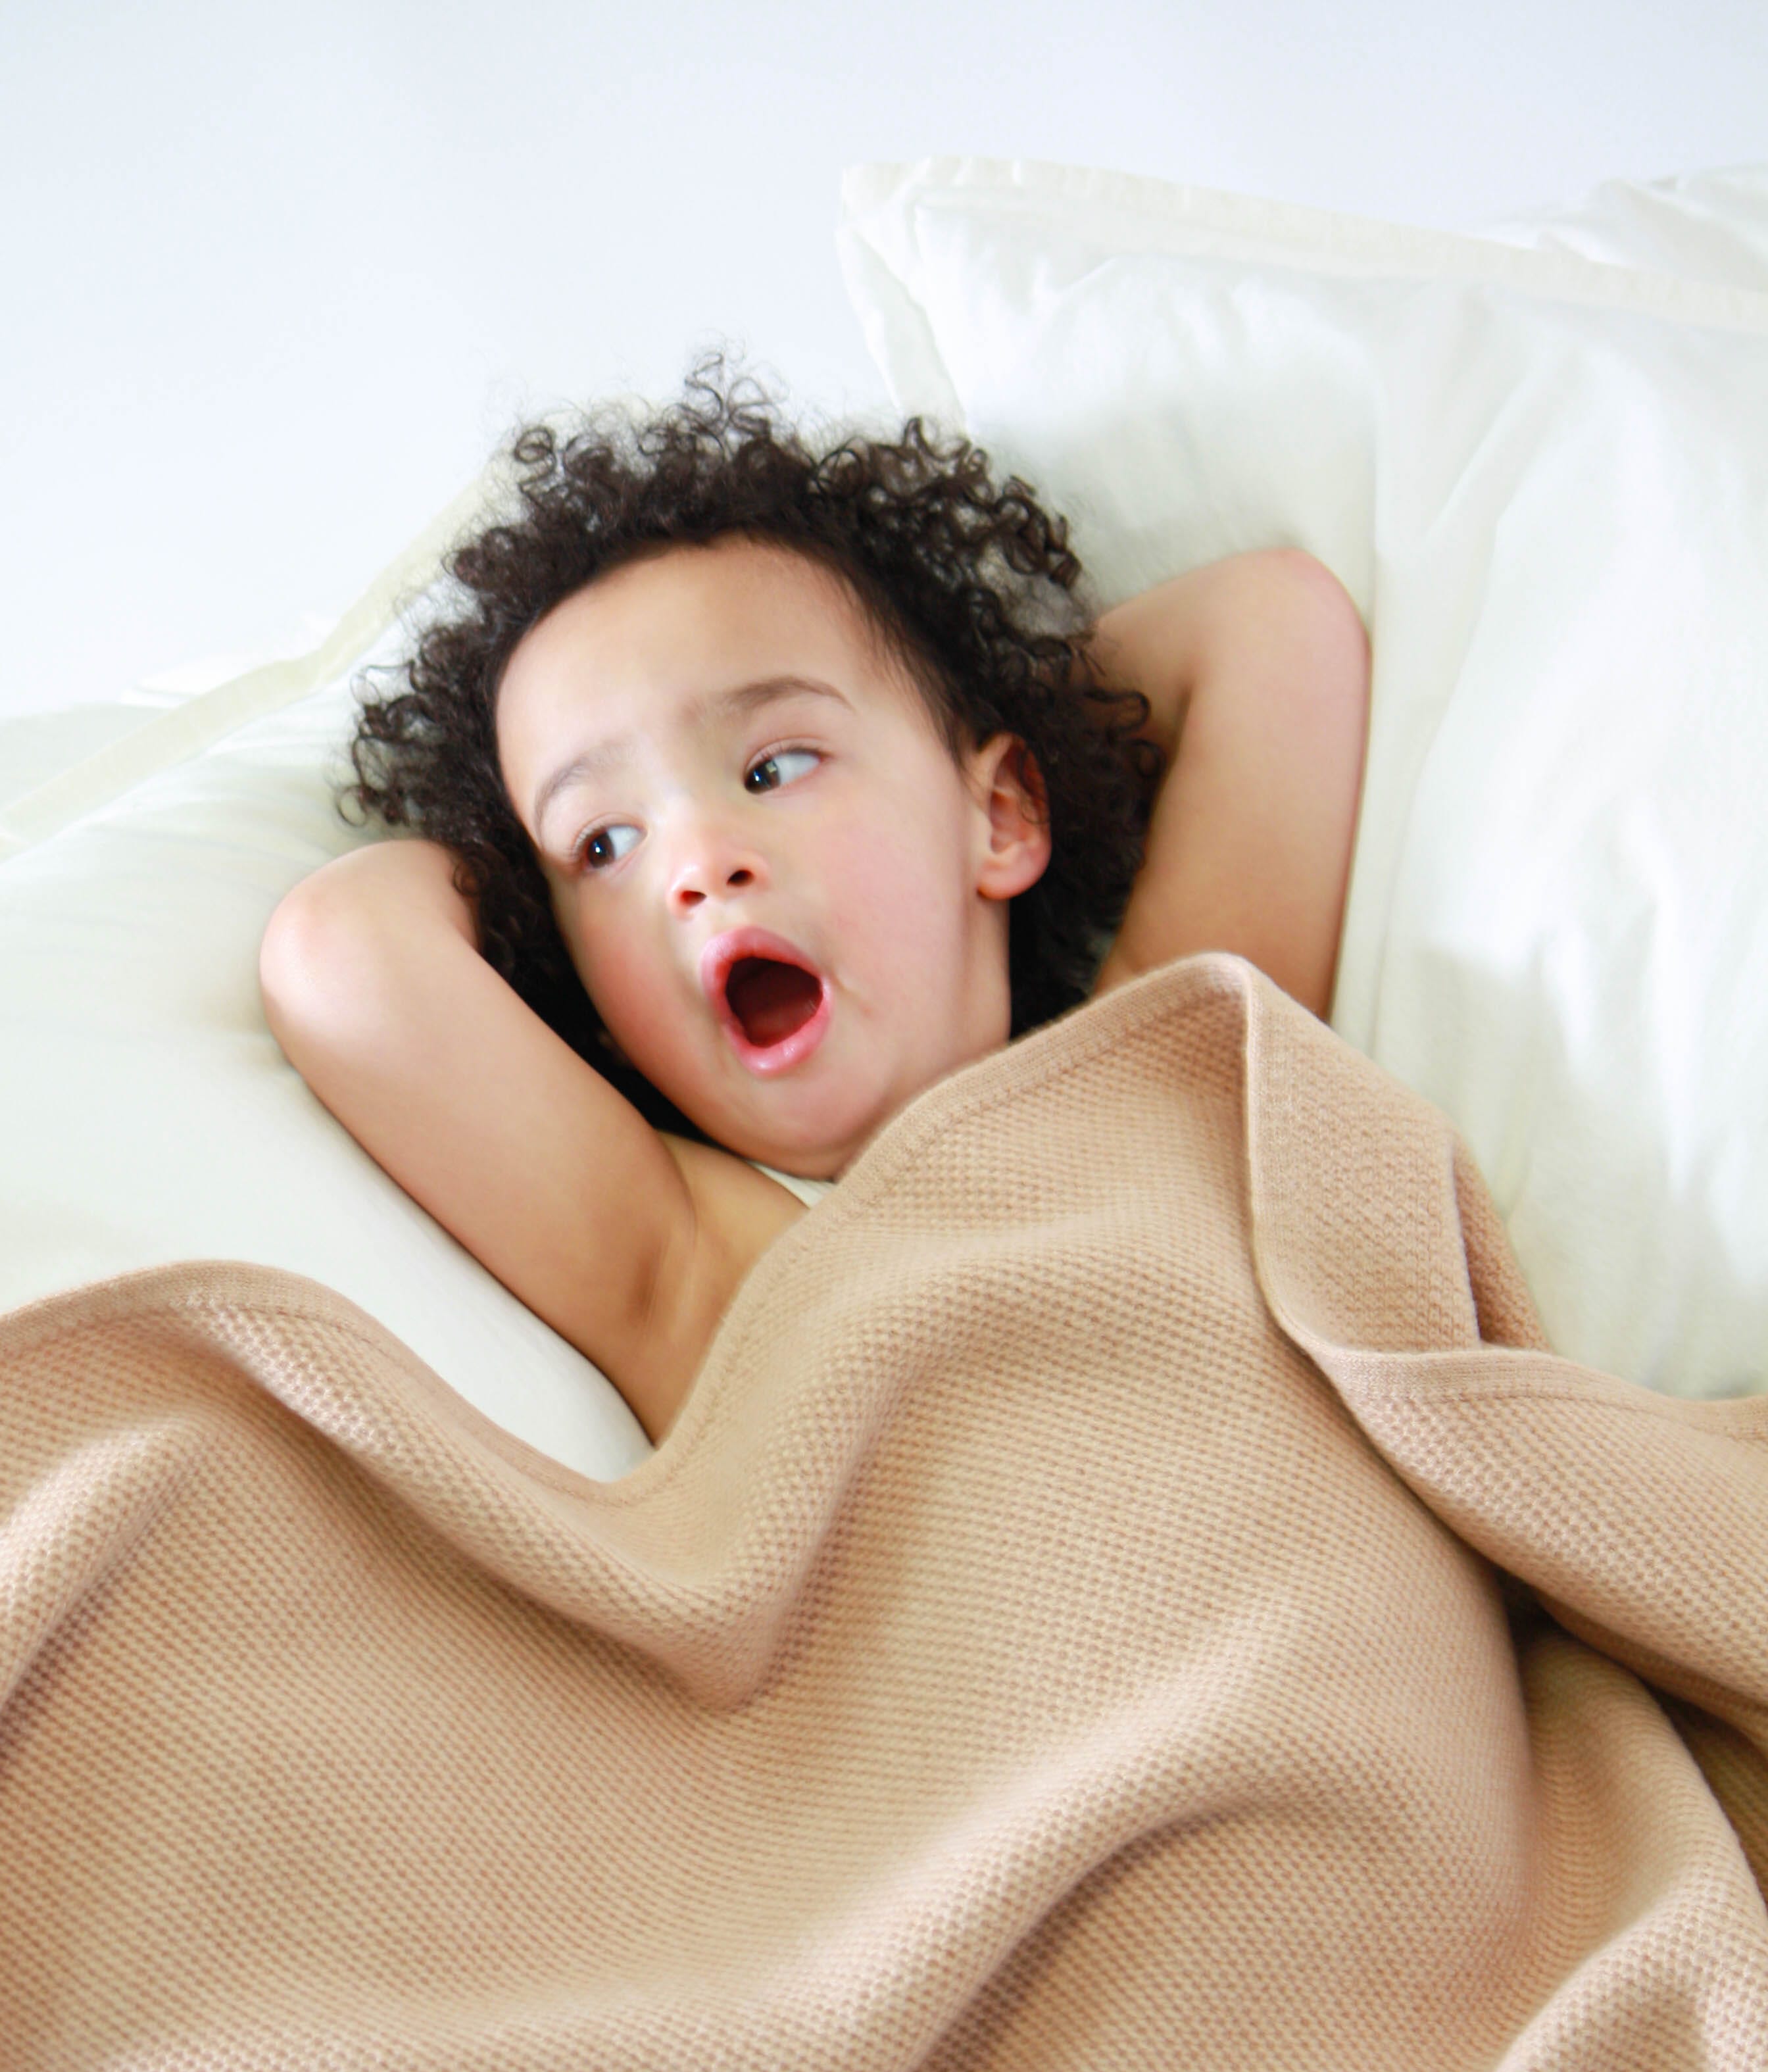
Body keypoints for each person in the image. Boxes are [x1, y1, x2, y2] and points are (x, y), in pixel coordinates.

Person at [259, 364, 1370, 1445]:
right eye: (607, 842)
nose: (695, 863)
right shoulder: (702, 1270)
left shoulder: (1176, 1066)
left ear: (1005, 818)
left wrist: (970, 718)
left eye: (774, 768)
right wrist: (532, 910)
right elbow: (345, 947)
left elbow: (1269, 623)